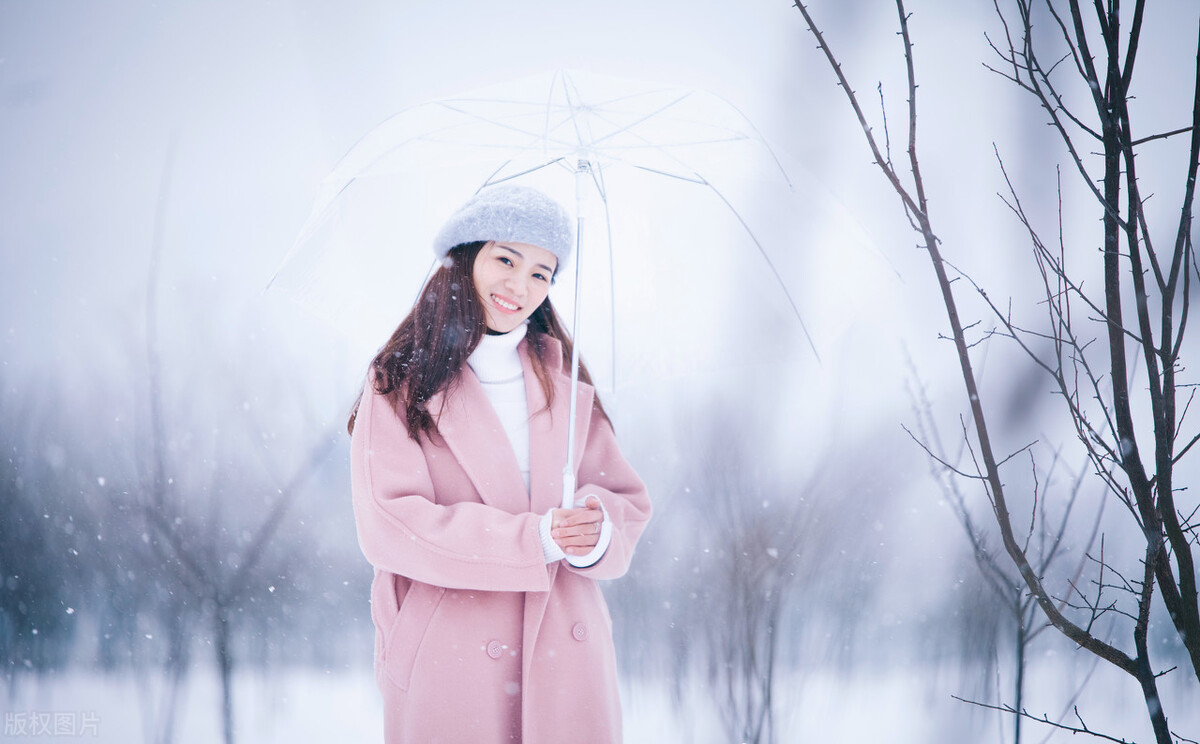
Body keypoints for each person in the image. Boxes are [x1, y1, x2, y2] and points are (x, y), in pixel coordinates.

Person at [347, 184, 652, 743]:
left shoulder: (568, 388)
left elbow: (624, 500)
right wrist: (530, 541)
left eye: (542, 272)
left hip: (567, 649)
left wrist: (597, 530)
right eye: (506, 259)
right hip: (449, 650)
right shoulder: (398, 385)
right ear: (466, 257)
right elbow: (390, 523)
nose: (521, 285)